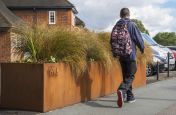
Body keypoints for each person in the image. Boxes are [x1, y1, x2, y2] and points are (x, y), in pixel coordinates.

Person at [110, 8, 145, 108]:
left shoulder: (116, 25)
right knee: (131, 75)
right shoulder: (131, 24)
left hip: (121, 55)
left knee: (126, 76)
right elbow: (138, 38)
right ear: (128, 14)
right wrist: (142, 48)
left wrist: (115, 53)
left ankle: (129, 96)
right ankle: (121, 90)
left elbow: (111, 40)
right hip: (130, 54)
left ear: (120, 15)